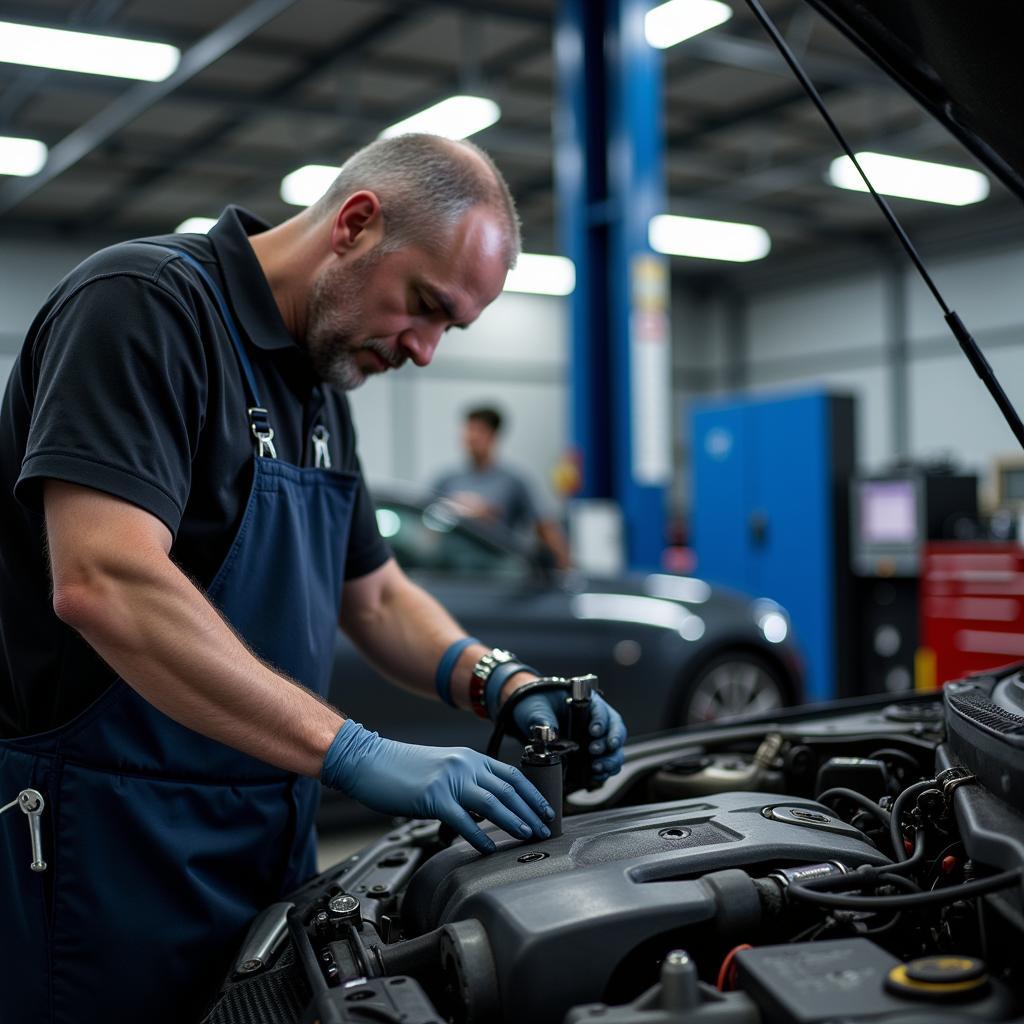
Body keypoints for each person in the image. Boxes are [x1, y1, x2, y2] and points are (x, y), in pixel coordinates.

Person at [0, 134, 625, 1024]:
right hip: (106, 850)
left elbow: (372, 594)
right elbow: (106, 578)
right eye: (425, 307)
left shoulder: (320, 384)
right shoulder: (143, 307)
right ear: (356, 224)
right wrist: (357, 751)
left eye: (451, 329)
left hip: (263, 848)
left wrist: (503, 680)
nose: (425, 352)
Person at [434, 405, 572, 569]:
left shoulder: (512, 481)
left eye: (479, 431)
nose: (471, 437)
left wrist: (565, 566)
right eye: (468, 430)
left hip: (499, 570)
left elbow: (544, 525)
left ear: (493, 436)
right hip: (454, 568)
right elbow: (429, 528)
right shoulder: (447, 480)